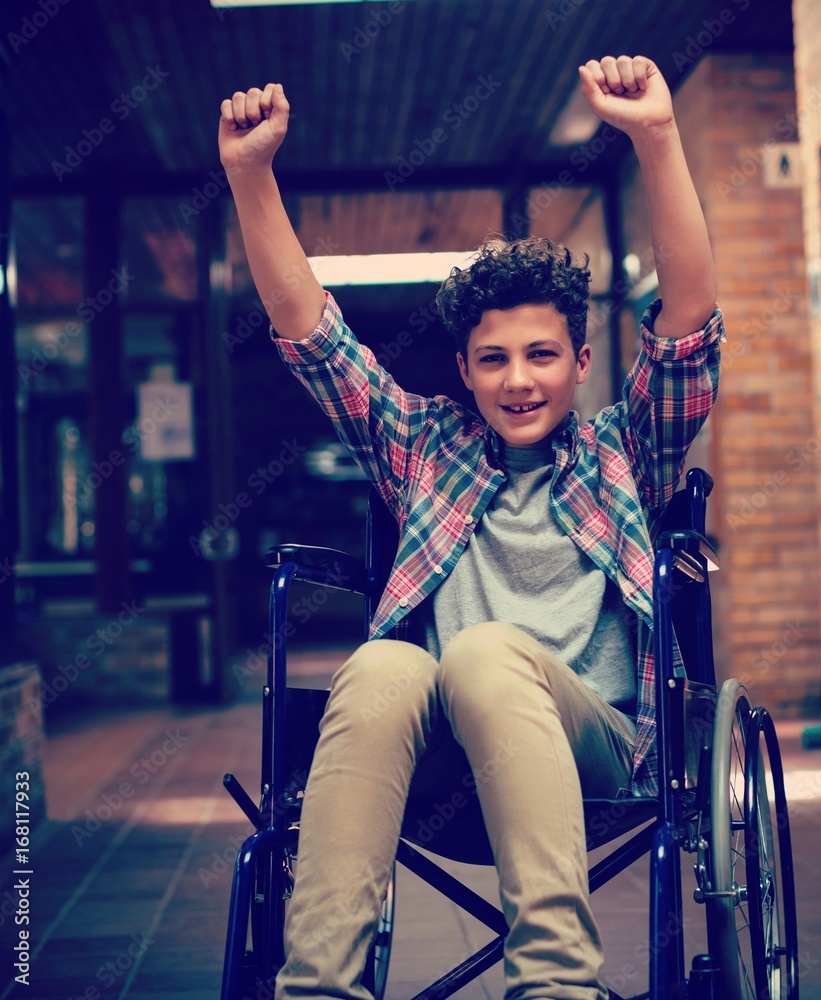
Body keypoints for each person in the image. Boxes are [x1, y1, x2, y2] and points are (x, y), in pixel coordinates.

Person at [219, 54, 723, 1000]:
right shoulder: (424, 448)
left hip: (596, 745)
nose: (518, 379)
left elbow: (689, 324)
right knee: (377, 661)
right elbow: (312, 335)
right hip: (444, 754)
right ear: (464, 369)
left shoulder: (625, 451)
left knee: (488, 651)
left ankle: (554, 986)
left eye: (541, 355)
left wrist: (656, 137)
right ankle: (319, 989)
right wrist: (251, 174)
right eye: (493, 359)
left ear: (581, 361)